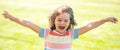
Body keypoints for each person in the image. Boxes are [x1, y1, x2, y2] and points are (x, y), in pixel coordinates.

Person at [2, 5, 118, 50]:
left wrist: (106, 19)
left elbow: (90, 26)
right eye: (59, 20)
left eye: (65, 20)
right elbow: (27, 23)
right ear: (54, 21)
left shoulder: (71, 33)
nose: (62, 22)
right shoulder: (46, 33)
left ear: (70, 22)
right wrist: (11, 17)